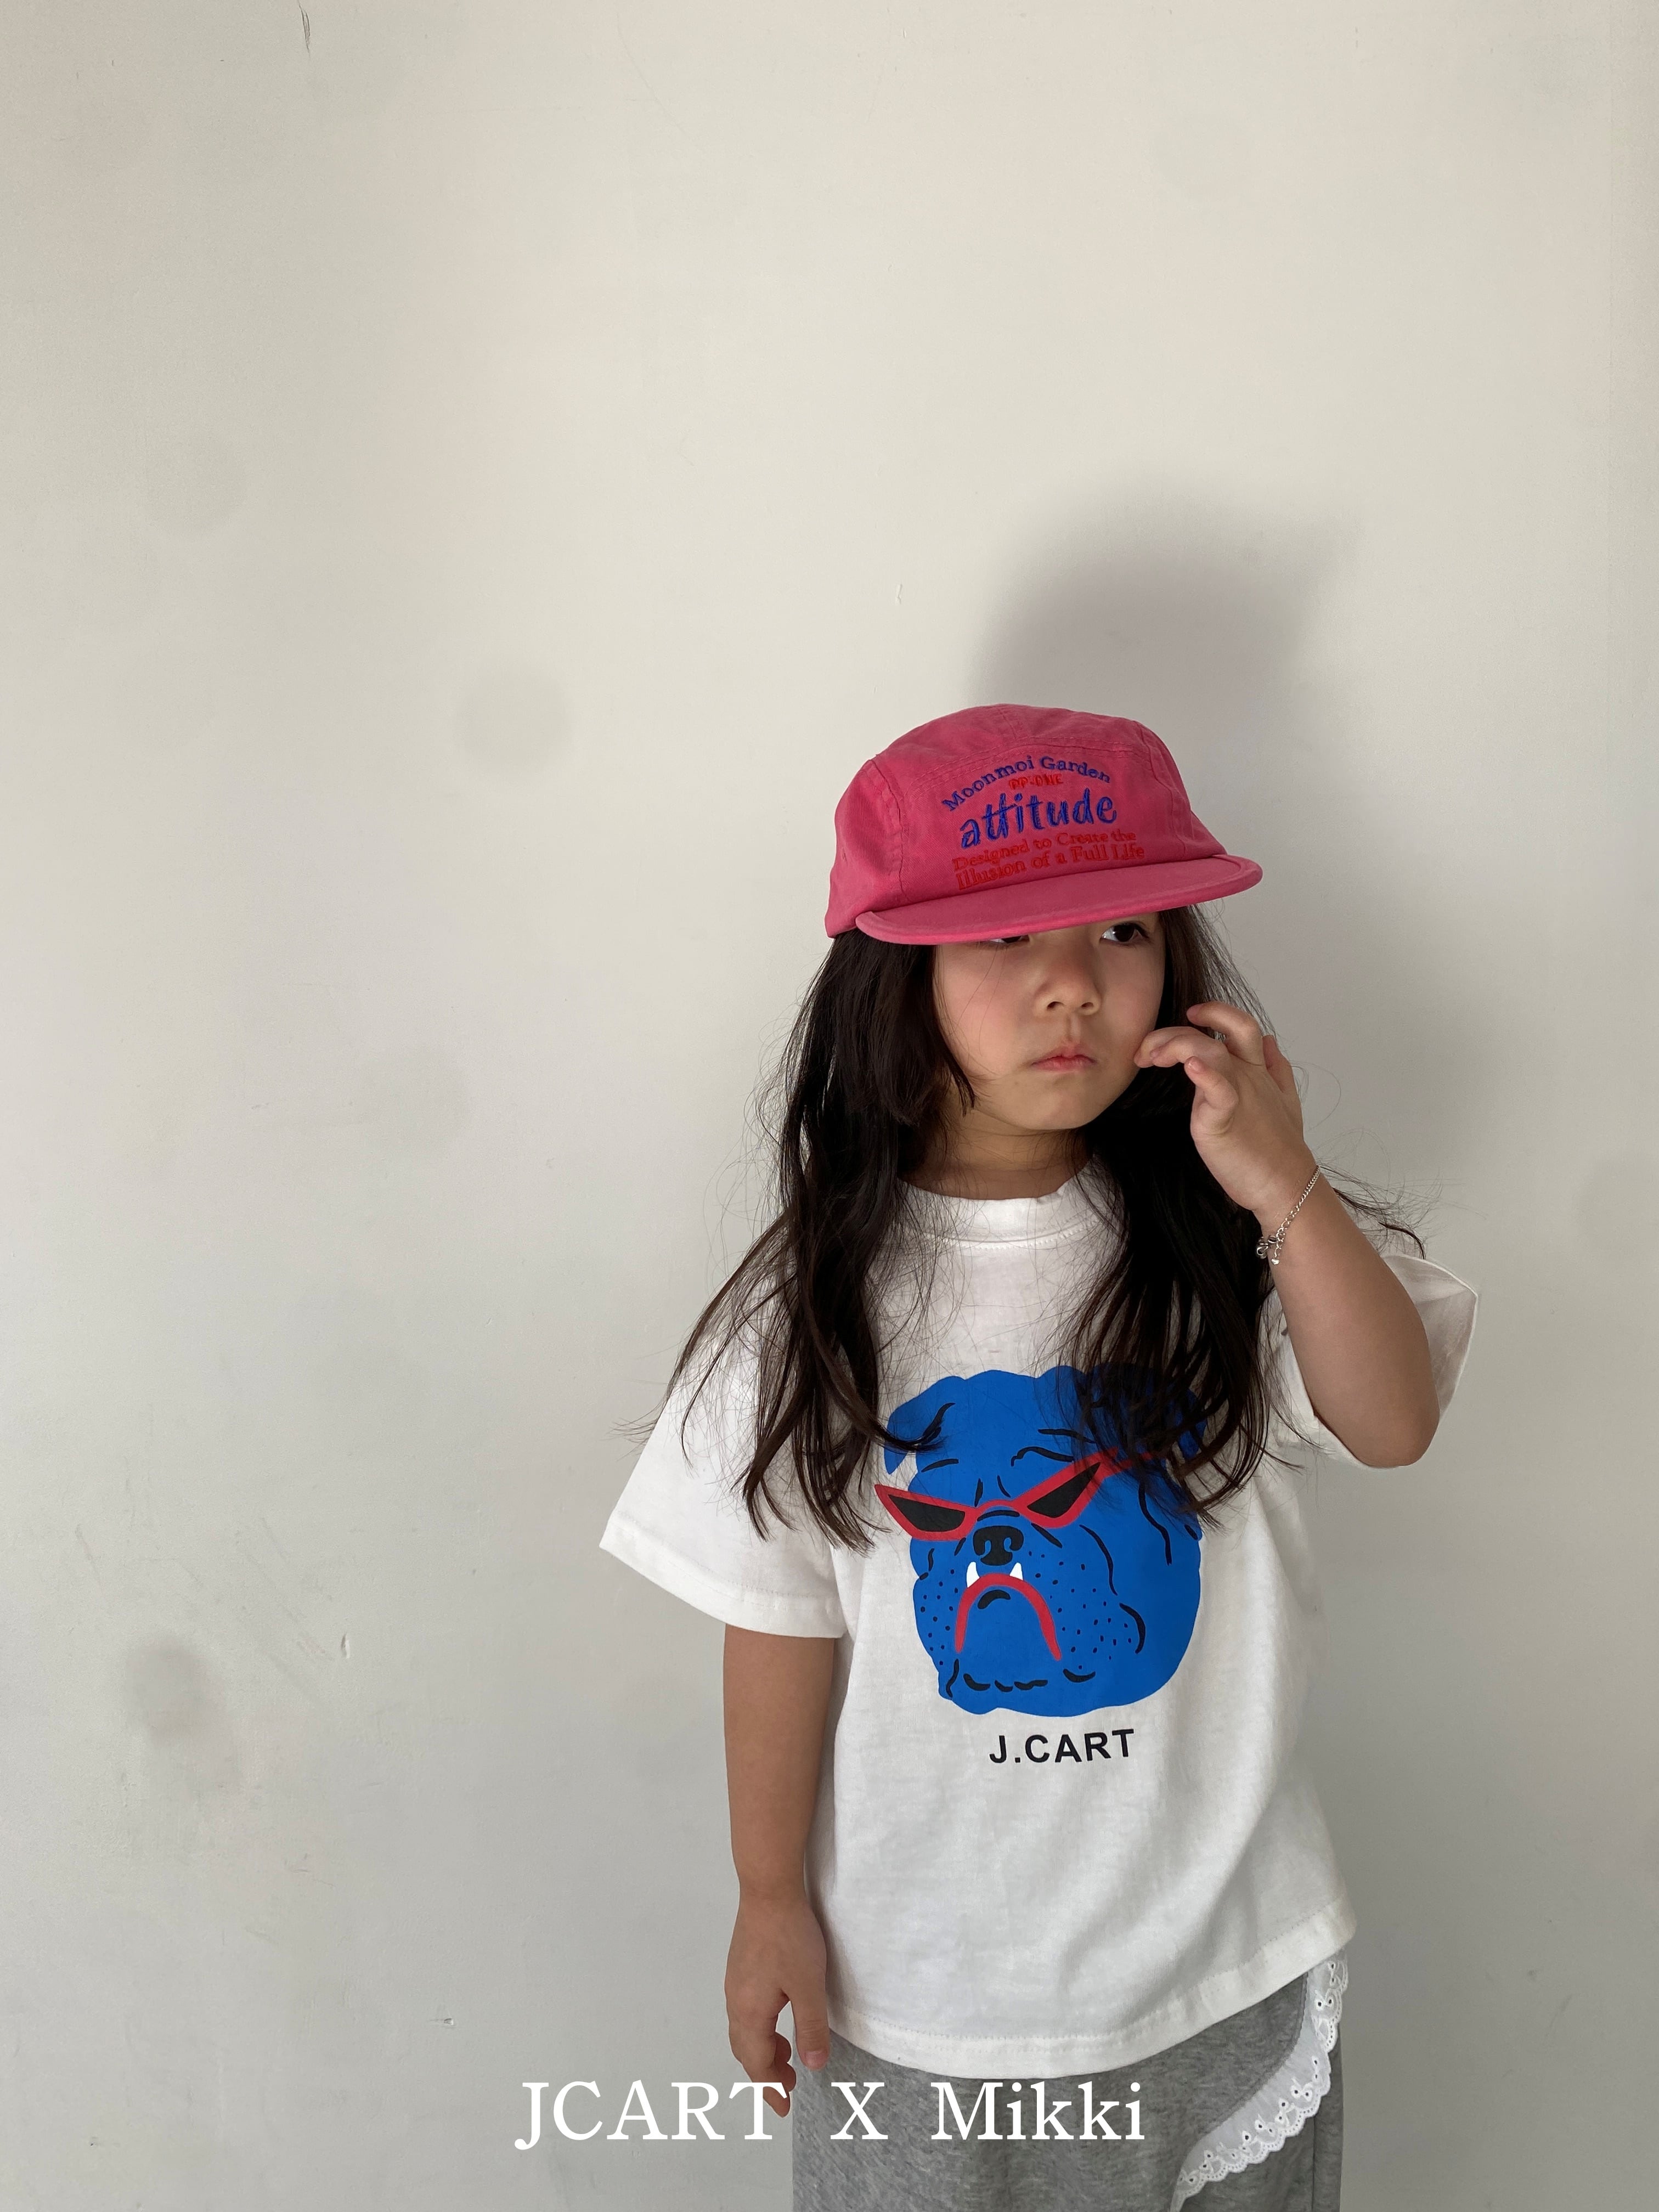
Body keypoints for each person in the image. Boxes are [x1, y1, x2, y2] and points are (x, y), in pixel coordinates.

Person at [599, 703, 1477, 2210]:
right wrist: (766, 1896)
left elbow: (1394, 1424)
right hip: (918, 1994)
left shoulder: (1227, 1244)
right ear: (895, 981)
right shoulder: (815, 1303)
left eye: (1123, 930)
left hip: (1223, 1966)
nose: (1073, 983)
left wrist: (1283, 1184)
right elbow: (780, 1617)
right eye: (1005, 938)